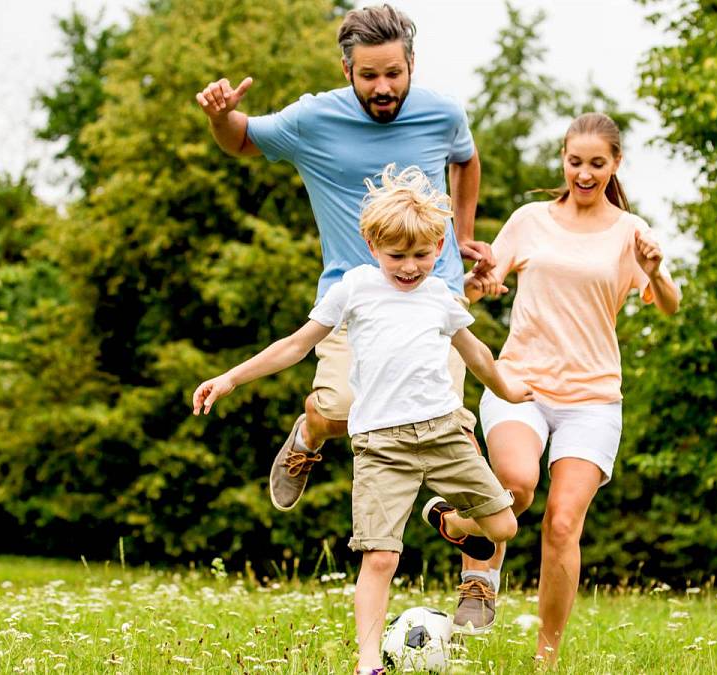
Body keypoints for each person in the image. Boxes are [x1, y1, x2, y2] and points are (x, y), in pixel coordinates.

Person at [191, 164, 529, 675]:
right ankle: (367, 662)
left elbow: (477, 354)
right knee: (380, 557)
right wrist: (231, 378)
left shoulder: (441, 296)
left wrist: (508, 388)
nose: (410, 267)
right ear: (372, 246)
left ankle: (447, 519)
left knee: (502, 525)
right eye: (397, 256)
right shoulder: (356, 289)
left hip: (443, 435)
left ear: (440, 247)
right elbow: (296, 345)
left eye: (421, 254)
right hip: (380, 446)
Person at [194, 3, 493, 513]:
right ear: (347, 70)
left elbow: (464, 157)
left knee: (455, 430)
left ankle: (478, 584)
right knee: (342, 410)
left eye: (393, 74)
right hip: (352, 300)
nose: (383, 88)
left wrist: (460, 236)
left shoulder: (442, 113)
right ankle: (310, 431)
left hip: (434, 293)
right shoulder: (313, 119)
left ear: (412, 66)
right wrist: (221, 116)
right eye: (369, 75)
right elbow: (241, 139)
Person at [451, 113, 681, 665]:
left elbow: (669, 305)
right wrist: (479, 284)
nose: (584, 173)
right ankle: (473, 551)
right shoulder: (531, 220)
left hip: (594, 399)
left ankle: (546, 657)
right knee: (515, 482)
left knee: (561, 523)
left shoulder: (630, 232)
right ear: (563, 159)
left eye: (596, 163)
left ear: (615, 164)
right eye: (575, 162)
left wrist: (658, 268)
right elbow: (478, 287)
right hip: (521, 382)